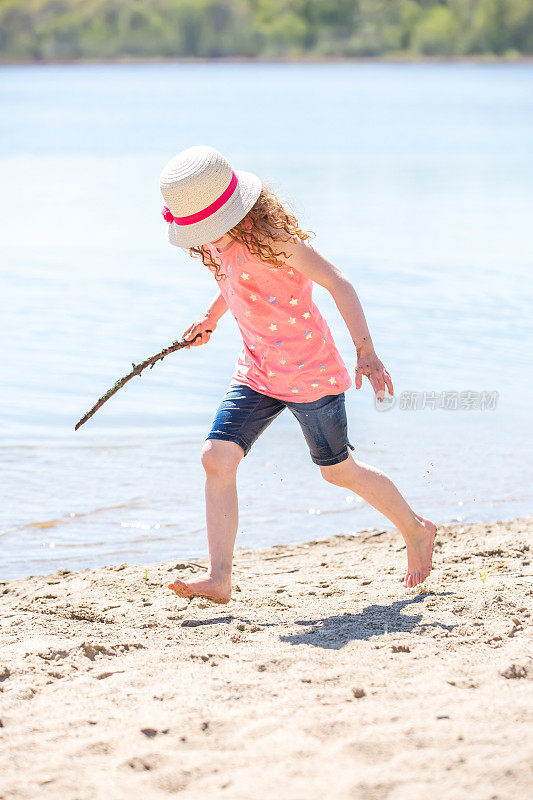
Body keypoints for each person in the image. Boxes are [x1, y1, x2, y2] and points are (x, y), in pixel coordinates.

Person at [160, 145, 436, 604]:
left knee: (339, 471)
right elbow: (234, 286)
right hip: (257, 372)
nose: (204, 238)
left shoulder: (274, 242)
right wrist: (210, 319)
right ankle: (220, 578)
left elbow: (339, 282)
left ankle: (416, 529)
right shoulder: (216, 243)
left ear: (235, 213)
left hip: (310, 375)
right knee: (216, 457)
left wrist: (365, 352)